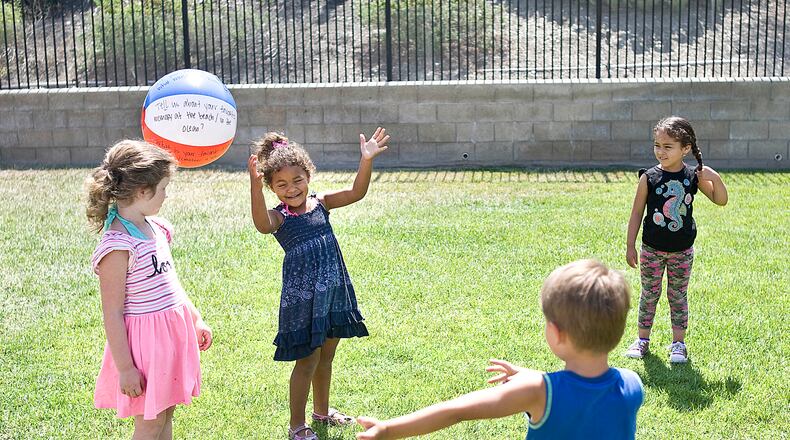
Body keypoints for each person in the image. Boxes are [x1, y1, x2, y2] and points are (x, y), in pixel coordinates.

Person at [356, 260, 644, 440]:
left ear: (556, 333)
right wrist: (533, 375)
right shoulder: (632, 384)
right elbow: (585, 392)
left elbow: (456, 411)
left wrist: (389, 429)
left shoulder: (539, 391)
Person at [248, 128, 390, 440]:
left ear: (308, 175)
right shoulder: (279, 218)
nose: (292, 189)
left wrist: (366, 160)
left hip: (332, 292)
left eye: (297, 180)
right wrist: (254, 186)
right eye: (281, 184)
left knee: (327, 355)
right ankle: (297, 425)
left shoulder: (321, 203)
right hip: (304, 300)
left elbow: (356, 192)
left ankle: (322, 412)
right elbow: (261, 225)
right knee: (307, 359)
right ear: (271, 187)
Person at [86, 140, 213, 439]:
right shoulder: (118, 247)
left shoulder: (156, 228)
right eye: (164, 188)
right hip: (146, 346)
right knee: (150, 421)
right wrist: (126, 368)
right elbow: (112, 313)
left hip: (170, 336)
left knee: (166, 411)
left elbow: (171, 283)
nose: (166, 195)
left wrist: (194, 318)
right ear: (143, 191)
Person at [624, 116, 728, 363]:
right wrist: (630, 245)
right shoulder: (648, 177)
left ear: (685, 149)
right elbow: (637, 212)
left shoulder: (693, 177)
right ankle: (642, 340)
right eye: (657, 145)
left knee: (678, 295)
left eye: (667, 146)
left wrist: (715, 178)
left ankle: (678, 345)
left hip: (682, 251)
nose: (661, 151)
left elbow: (721, 200)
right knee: (649, 293)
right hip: (651, 249)